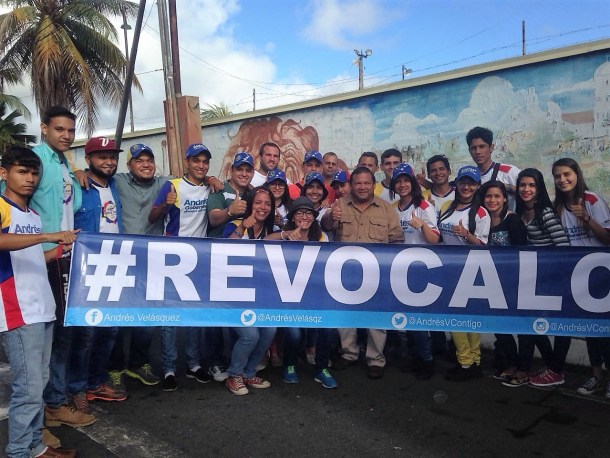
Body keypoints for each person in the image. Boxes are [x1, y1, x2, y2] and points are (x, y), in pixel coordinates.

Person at [1, 146, 79, 458]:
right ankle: (20, 451)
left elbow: (35, 256)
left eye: (34, 172)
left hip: (42, 307)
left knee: (39, 383)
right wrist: (47, 236)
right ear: (4, 173)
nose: (30, 178)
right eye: (22, 171)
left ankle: (35, 446)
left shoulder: (31, 215)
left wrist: (65, 246)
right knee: (29, 389)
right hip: (18, 311)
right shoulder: (3, 207)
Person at [26, 107, 94, 440]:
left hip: (66, 260)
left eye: (70, 130)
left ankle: (54, 404)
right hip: (42, 261)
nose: (66, 135)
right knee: (42, 343)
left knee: (64, 335)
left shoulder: (64, 163)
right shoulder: (34, 161)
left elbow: (73, 205)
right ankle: (39, 419)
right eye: (59, 129)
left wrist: (77, 171)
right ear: (44, 128)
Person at [532, 158, 610, 394]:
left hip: (600, 275)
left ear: (576, 174)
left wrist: (586, 218)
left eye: (567, 174)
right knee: (590, 330)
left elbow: (607, 239)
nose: (563, 179)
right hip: (577, 277)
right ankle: (596, 376)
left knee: (605, 330)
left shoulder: (591, 200)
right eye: (557, 176)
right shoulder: (557, 207)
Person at [321, 167, 404, 379]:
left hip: (377, 274)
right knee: (345, 316)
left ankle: (375, 359)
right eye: (358, 183)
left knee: (376, 318)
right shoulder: (339, 205)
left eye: (367, 183)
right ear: (352, 184)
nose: (362, 187)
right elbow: (325, 228)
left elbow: (397, 240)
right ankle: (349, 353)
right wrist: (331, 217)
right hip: (345, 272)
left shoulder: (386, 209)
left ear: (373, 184)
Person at [149, 144, 214, 391]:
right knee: (169, 317)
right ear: (187, 162)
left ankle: (194, 364)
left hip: (199, 258)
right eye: (196, 161)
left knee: (195, 314)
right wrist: (165, 205)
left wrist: (214, 179)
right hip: (172, 258)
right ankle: (168, 368)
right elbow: (153, 218)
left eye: (205, 162)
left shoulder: (210, 186)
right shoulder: (172, 185)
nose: (201, 165)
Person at [68, 137, 126, 415]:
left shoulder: (115, 185)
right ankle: (77, 387)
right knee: (85, 333)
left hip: (114, 268)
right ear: (88, 159)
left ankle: (96, 382)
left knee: (110, 329)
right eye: (102, 156)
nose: (109, 161)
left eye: (112, 156)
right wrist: (74, 173)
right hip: (86, 271)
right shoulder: (78, 186)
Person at [501, 168, 569, 387]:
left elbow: (563, 248)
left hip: (550, 278)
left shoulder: (545, 214)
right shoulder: (520, 213)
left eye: (532, 185)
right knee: (532, 325)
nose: (526, 190)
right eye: (522, 185)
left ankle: (549, 370)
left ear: (539, 189)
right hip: (531, 279)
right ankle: (550, 365)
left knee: (550, 326)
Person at [267, 197, 338, 388]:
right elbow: (264, 241)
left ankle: (321, 368)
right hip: (290, 297)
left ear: (314, 217)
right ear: (292, 216)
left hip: (315, 295)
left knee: (327, 328)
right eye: (299, 213)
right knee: (294, 333)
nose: (304, 216)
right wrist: (286, 235)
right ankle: (290, 365)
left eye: (308, 213)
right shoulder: (284, 234)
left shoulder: (321, 236)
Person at [205, 152, 256, 382]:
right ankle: (214, 362)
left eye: (248, 170)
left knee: (239, 316)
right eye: (240, 169)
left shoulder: (254, 193)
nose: (244, 173)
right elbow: (213, 219)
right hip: (219, 261)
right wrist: (230, 211)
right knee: (217, 315)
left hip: (246, 264)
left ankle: (238, 361)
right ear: (231, 171)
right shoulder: (219, 190)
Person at [438, 165, 490, 381]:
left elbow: (484, 245)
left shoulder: (480, 212)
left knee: (464, 318)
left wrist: (467, 234)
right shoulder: (448, 206)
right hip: (450, 269)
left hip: (471, 271)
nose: (466, 187)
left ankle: (469, 362)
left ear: (478, 185)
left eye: (471, 183)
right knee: (458, 318)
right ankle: (469, 361)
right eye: (463, 182)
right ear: (456, 184)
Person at [223, 187, 277, 395]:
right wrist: (242, 228)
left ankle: (249, 372)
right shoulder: (236, 225)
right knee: (251, 335)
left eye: (267, 203)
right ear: (249, 204)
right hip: (232, 296)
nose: (262, 207)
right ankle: (234, 375)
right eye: (258, 202)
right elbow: (222, 250)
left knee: (270, 329)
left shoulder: (268, 230)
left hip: (257, 295)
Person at [390, 163, 440, 380]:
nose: (402, 185)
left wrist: (422, 226)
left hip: (421, 268)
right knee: (405, 318)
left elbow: (435, 240)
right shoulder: (393, 208)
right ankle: (413, 356)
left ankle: (426, 360)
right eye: (398, 181)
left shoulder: (424, 206)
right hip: (399, 268)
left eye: (406, 181)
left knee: (419, 319)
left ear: (413, 183)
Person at [479, 181, 528, 384]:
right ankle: (509, 364)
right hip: (490, 281)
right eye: (489, 196)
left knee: (519, 327)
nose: (492, 200)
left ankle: (521, 368)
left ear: (505, 198)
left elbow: (522, 252)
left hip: (511, 281)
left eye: (497, 196)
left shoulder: (513, 220)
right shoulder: (481, 220)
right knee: (499, 326)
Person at [466, 126, 520, 209]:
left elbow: (530, 194)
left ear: (491, 147)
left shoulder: (509, 172)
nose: (478, 152)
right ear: (469, 151)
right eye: (473, 148)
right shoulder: (470, 178)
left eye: (482, 147)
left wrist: (508, 187)